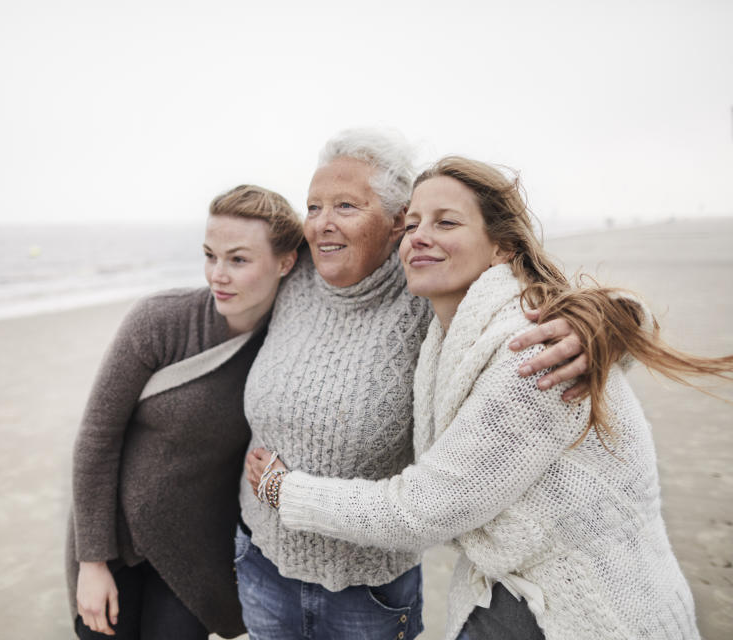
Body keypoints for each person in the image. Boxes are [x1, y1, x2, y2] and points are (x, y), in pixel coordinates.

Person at [248, 156, 731, 639]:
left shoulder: (533, 354)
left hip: (586, 613)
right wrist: (617, 318)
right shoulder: (454, 326)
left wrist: (283, 490)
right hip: (503, 596)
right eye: (412, 224)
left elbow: (424, 508)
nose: (419, 236)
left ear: (502, 246)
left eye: (447, 222)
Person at [234, 130, 596, 640]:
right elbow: (223, 284)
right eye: (313, 206)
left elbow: (531, 303)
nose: (322, 223)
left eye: (345, 206)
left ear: (394, 224)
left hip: (370, 589)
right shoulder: (291, 275)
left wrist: (605, 327)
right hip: (261, 561)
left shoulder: (431, 288)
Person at [66, 184, 302, 639]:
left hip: (197, 557)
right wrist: (91, 563)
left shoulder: (286, 344)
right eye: (210, 255)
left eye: (238, 259)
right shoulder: (160, 321)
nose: (218, 274)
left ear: (285, 262)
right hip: (114, 542)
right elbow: (96, 438)